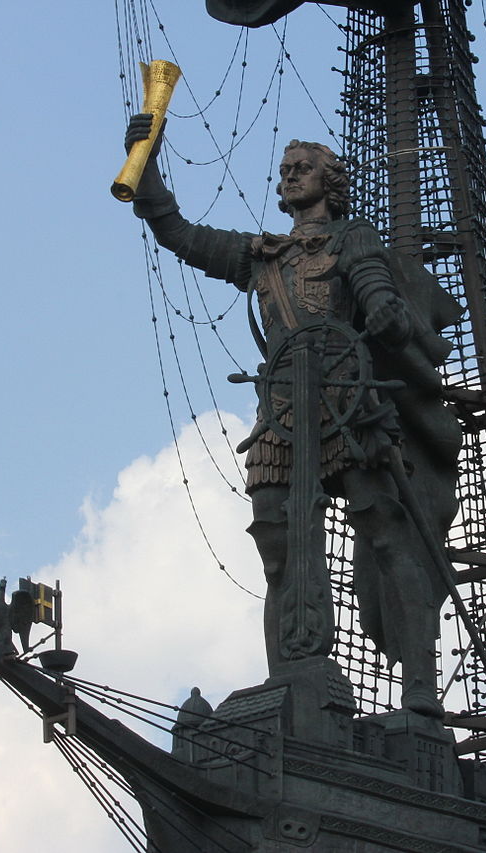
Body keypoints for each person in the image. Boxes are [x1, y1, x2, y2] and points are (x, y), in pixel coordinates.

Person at [123, 114, 462, 716]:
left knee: (383, 528)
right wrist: (144, 168)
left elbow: (376, 288)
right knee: (276, 543)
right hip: (280, 410)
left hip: (345, 397)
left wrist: (386, 313)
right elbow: (179, 233)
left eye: (301, 169)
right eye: (283, 172)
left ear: (329, 182)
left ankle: (419, 686)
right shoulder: (260, 256)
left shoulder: (352, 238)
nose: (288, 178)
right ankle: (295, 677)